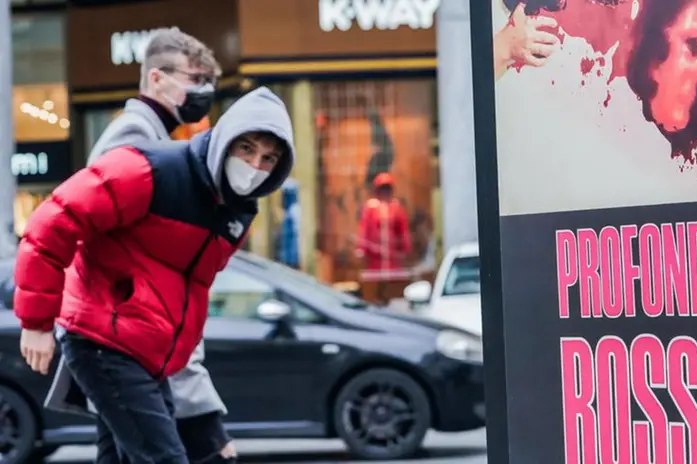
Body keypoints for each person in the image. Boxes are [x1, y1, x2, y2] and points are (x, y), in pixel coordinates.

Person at [14, 86, 294, 464]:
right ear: (224, 141)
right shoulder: (150, 169)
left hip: (149, 354)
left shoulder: (236, 212)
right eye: (246, 148)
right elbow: (52, 221)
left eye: (268, 158)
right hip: (103, 337)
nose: (255, 165)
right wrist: (36, 322)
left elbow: (188, 289)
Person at [45, 27, 240, 464]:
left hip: (121, 336)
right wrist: (207, 425)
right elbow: (74, 227)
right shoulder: (135, 141)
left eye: (208, 81)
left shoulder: (154, 139)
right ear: (156, 79)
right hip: (117, 334)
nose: (204, 91)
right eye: (194, 78)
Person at [355, 173, 412, 304]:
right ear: (377, 190)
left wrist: (405, 249)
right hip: (375, 257)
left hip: (392, 257)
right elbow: (364, 230)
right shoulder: (370, 207)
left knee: (392, 289)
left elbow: (403, 231)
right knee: (374, 288)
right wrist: (361, 249)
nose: (385, 192)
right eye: (382, 188)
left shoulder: (396, 207)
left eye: (387, 188)